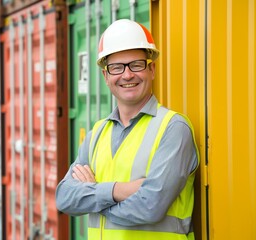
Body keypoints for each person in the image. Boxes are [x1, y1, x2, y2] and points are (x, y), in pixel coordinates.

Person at [56, 19, 199, 240]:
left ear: (151, 69)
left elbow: (150, 206)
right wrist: (119, 190)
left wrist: (93, 196)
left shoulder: (173, 128)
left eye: (136, 65)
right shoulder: (97, 133)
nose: (127, 75)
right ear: (106, 76)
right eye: (116, 67)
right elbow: (64, 198)